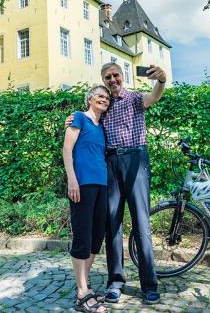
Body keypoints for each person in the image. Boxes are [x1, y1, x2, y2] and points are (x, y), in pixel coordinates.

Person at [66, 62, 167, 305]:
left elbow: (154, 96)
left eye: (115, 75)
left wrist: (161, 81)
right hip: (110, 162)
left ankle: (149, 284)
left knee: (141, 222)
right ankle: (115, 282)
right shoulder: (103, 105)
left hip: (135, 159)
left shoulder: (134, 98)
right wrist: (72, 118)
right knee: (112, 224)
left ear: (122, 76)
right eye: (107, 77)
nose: (112, 80)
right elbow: (85, 123)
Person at [63, 85, 111, 313]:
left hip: (102, 186)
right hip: (82, 185)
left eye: (107, 98)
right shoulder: (79, 118)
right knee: (82, 236)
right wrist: (72, 179)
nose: (104, 99)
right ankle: (82, 292)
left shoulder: (101, 127)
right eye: (100, 96)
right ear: (90, 99)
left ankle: (84, 283)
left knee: (96, 237)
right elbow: (67, 149)